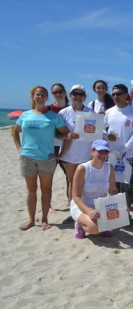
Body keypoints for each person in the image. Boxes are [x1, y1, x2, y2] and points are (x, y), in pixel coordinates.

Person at [12, 86, 69, 231]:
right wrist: (19, 148)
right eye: (37, 94)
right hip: (28, 157)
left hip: (46, 158)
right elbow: (15, 131)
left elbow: (65, 134)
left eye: (43, 95)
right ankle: (31, 220)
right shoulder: (25, 115)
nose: (40, 97)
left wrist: (60, 153)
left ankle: (44, 219)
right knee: (31, 189)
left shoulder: (53, 116)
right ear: (33, 97)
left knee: (46, 189)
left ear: (46, 97)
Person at [104, 83, 133, 208]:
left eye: (119, 94)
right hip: (111, 155)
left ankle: (126, 214)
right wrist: (107, 136)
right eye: (114, 94)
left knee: (128, 186)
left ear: (126, 95)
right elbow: (101, 129)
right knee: (112, 185)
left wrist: (125, 148)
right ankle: (116, 215)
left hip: (129, 155)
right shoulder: (109, 112)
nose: (116, 96)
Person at [71, 139, 117, 239]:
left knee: (115, 221)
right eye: (100, 151)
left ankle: (102, 225)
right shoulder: (82, 168)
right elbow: (76, 196)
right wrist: (88, 211)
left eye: (106, 152)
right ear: (92, 151)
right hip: (82, 206)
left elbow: (113, 190)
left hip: (101, 206)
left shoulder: (110, 167)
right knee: (95, 229)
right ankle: (80, 225)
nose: (103, 154)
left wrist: (119, 203)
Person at [58, 85, 95, 209]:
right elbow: (57, 134)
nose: (78, 97)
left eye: (81, 94)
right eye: (75, 94)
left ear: (84, 97)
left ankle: (83, 207)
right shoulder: (63, 113)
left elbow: (97, 132)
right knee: (71, 182)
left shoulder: (90, 112)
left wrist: (109, 135)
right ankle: (72, 208)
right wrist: (67, 135)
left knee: (84, 183)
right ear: (70, 96)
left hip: (86, 154)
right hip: (68, 154)